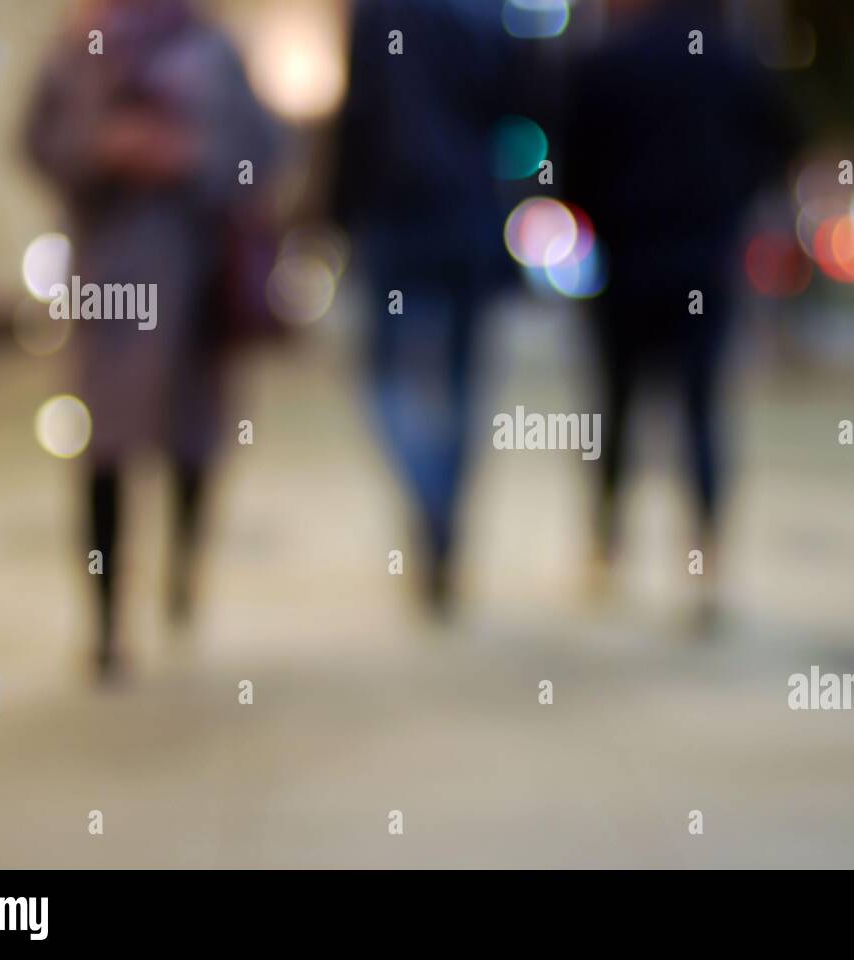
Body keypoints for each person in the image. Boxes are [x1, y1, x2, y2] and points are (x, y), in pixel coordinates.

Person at [25, 0, 281, 678]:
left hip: (198, 284)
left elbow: (261, 155)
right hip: (110, 286)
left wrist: (190, 158)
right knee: (102, 453)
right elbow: (37, 143)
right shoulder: (78, 48)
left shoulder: (212, 50)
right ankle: (106, 621)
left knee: (192, 442)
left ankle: (182, 569)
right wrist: (105, 150)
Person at [564, 0, 796, 602]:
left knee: (615, 405)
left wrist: (606, 218)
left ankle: (606, 546)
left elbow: (574, 164)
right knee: (700, 410)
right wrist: (727, 211)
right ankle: (704, 557)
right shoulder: (733, 59)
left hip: (627, 259)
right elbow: (776, 146)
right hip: (703, 259)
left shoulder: (608, 59)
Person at [331, 0, 519, 614]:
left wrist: (333, 213)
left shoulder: (376, 13)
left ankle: (429, 496)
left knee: (382, 379)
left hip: (396, 215)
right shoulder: (488, 17)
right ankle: (443, 512)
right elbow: (520, 114)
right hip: (469, 213)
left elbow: (356, 116)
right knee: (463, 384)